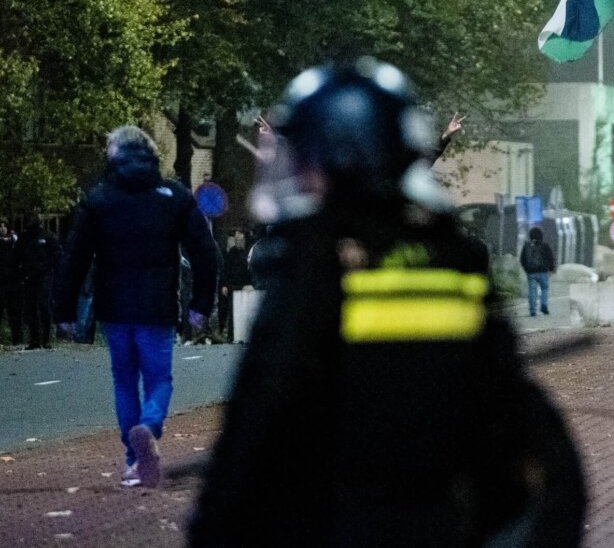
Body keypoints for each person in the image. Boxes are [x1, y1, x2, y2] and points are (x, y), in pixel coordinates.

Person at [189, 58, 584, 546]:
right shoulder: (454, 259)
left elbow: (261, 420)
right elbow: (521, 436)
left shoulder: (316, 265)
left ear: (338, 156)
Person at [52, 126, 219, 488]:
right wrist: (201, 304)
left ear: (113, 156)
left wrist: (63, 310)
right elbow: (206, 254)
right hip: (158, 306)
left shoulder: (98, 199)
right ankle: (151, 425)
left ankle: (132, 460)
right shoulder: (173, 196)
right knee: (159, 378)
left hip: (115, 308)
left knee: (124, 380)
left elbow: (74, 258)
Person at [19, 215, 61, 349]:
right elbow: (16, 256)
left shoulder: (48, 237)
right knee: (30, 308)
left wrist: (55, 273)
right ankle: (34, 339)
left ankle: (46, 339)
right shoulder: (24, 238)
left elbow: (57, 255)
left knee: (44, 305)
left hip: (45, 275)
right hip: (28, 276)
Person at [217, 229, 250, 341]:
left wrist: (249, 283)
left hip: (244, 285)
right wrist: (225, 284)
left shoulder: (248, 251)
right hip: (233, 284)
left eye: (239, 234)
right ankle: (231, 335)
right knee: (231, 310)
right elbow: (226, 269)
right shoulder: (233, 253)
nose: (237, 237)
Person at [520, 226, 555, 316]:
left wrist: (526, 269)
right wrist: (551, 268)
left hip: (531, 273)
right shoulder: (545, 245)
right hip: (543, 272)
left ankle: (532, 310)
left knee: (532, 290)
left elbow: (522, 259)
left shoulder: (527, 246)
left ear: (530, 236)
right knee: (544, 289)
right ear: (541, 235)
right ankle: (543, 305)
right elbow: (550, 257)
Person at [0, 219, 20, 345]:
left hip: (13, 282)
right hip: (1, 283)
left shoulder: (15, 242)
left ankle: (16, 339)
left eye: (3, 226)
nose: (2, 228)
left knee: (15, 312)